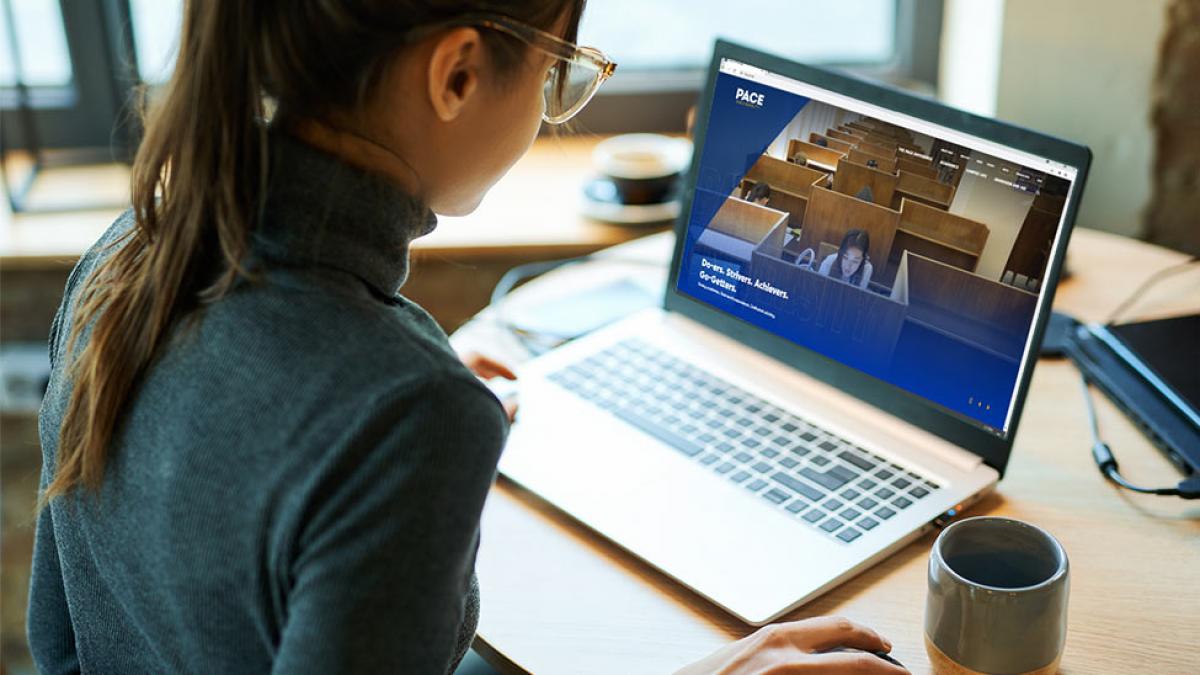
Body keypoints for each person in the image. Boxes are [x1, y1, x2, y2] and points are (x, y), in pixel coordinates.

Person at [27, 2, 906, 673]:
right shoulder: (409, 411)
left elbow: (59, 637)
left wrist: (394, 373)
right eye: (559, 73)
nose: (553, 109)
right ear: (456, 74)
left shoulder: (129, 254)